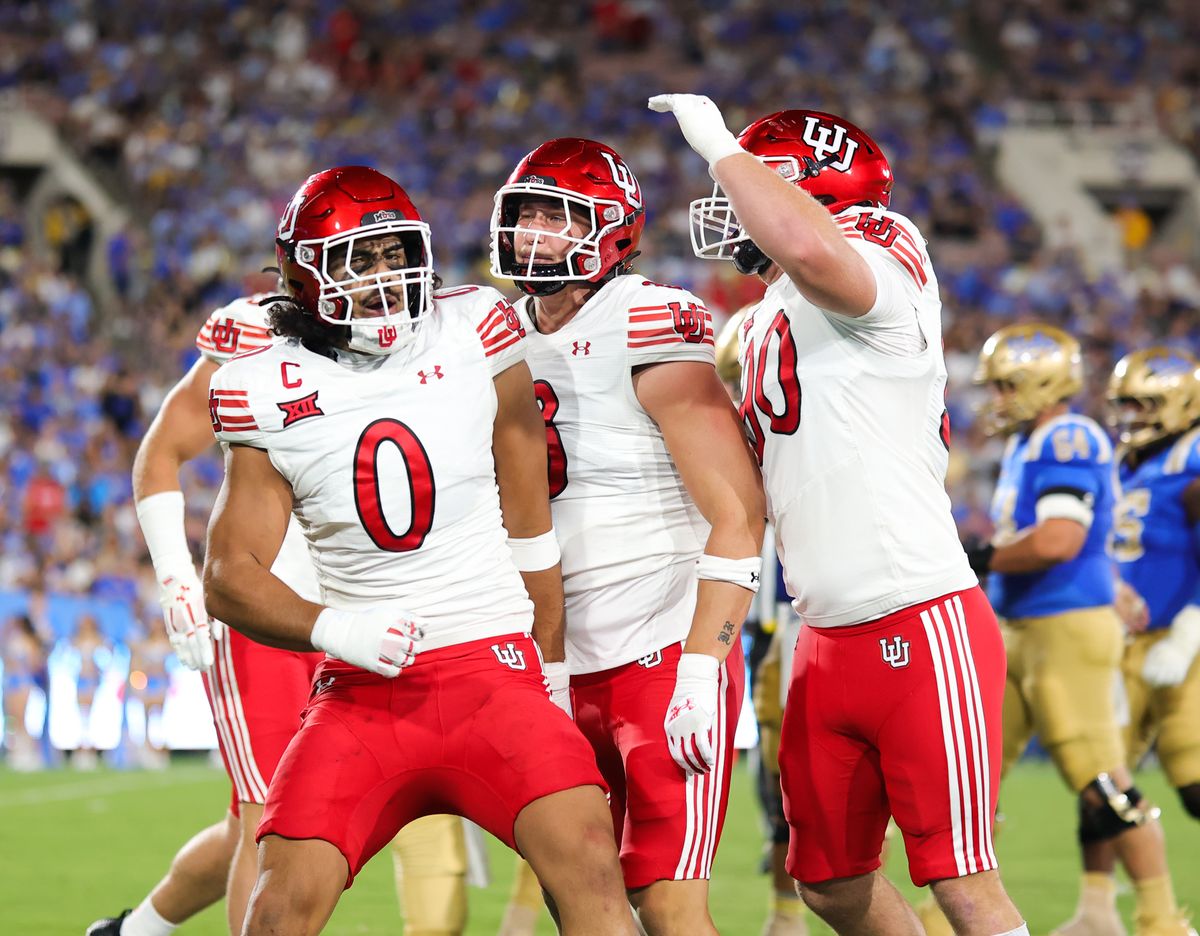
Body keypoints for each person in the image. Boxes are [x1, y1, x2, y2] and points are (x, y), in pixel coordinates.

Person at [203, 165, 634, 936]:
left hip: (492, 671)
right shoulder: (261, 385)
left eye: (395, 253)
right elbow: (230, 579)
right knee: (276, 912)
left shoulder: (474, 327)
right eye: (357, 261)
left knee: (593, 867)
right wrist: (336, 628)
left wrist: (552, 665)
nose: (384, 277)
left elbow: (531, 519)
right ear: (304, 272)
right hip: (362, 690)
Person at [652, 94, 1025, 933]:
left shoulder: (885, 249)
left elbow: (822, 257)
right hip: (819, 634)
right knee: (826, 882)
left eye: (759, 179)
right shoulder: (762, 318)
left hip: (918, 616)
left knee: (963, 884)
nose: (733, 198)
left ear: (816, 189)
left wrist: (718, 145)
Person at [489, 137, 765, 935]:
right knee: (581, 899)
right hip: (554, 662)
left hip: (658, 645)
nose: (538, 234)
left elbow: (738, 509)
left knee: (671, 908)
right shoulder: (494, 331)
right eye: (528, 215)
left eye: (560, 216)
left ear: (610, 228)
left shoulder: (647, 316)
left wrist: (703, 666)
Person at [89, 291, 325, 936]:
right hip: (264, 608)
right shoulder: (251, 330)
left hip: (365, 602)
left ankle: (133, 933)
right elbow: (163, 447)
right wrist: (176, 579)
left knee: (248, 823)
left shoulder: (424, 327)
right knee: (269, 820)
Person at [969, 325, 1191, 936]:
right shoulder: (1029, 441)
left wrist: (977, 556)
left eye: (1008, 384)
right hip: (1023, 625)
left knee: (1102, 781)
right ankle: (953, 912)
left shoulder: (1067, 435)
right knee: (970, 782)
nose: (998, 397)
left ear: (1043, 383)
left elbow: (1059, 539)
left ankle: (1161, 920)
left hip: (1064, 626)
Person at [1051, 346, 1200, 936]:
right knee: (1102, 778)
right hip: (1123, 643)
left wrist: (1187, 636)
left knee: (1192, 782)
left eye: (1144, 402)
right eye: (1125, 403)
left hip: (1182, 642)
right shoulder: (1128, 461)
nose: (1130, 414)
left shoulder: (1192, 459)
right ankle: (1096, 911)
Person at [2, 613, 48, 771]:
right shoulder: (10, 640)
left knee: (22, 718)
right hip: (11, 681)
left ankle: (29, 753)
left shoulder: (30, 641)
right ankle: (16, 751)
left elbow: (35, 662)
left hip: (23, 681)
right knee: (12, 718)